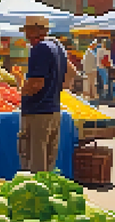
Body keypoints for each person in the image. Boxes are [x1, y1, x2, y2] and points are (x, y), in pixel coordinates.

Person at [17, 16, 76, 173]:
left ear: (35, 30)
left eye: (27, 30)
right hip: (53, 109)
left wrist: (22, 90)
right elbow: (71, 74)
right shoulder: (58, 46)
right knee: (48, 163)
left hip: (37, 111)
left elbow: (36, 83)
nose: (26, 35)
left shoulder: (39, 48)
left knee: (34, 163)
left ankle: (33, 197)